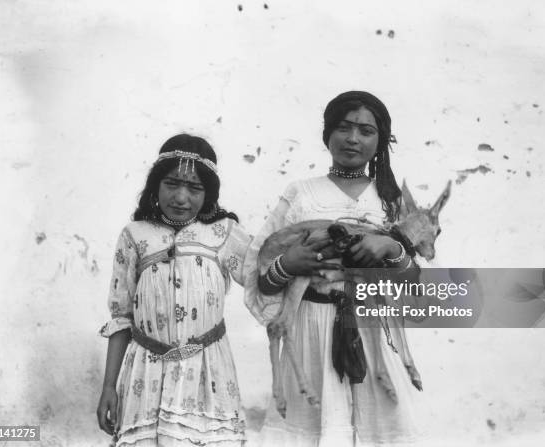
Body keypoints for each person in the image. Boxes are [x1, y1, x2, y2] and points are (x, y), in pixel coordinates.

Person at [244, 91, 421, 446]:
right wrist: (287, 264)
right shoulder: (300, 194)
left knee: (384, 430)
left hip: (373, 328)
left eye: (366, 131)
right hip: (311, 328)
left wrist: (390, 246)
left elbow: (416, 282)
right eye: (343, 127)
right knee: (313, 431)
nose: (353, 138)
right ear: (328, 133)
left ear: (380, 141)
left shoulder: (392, 201)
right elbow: (260, 276)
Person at [97, 134, 252, 446]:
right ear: (155, 185)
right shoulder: (135, 235)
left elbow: (263, 279)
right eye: (172, 184)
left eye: (194, 188)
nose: (181, 197)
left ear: (208, 194)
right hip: (145, 374)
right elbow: (121, 317)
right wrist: (108, 387)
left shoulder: (224, 233)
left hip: (207, 373)